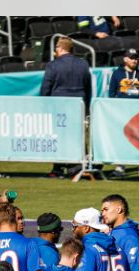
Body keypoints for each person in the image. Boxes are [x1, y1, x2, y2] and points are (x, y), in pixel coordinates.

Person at [41, 37, 92, 177]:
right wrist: (87, 106)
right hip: (78, 106)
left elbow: (46, 88)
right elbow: (88, 88)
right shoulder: (83, 64)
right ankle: (77, 166)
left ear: (61, 48)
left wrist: (44, 106)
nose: (55, 50)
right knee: (77, 137)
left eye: (57, 47)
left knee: (58, 137)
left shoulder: (53, 65)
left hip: (58, 107)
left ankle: (58, 168)